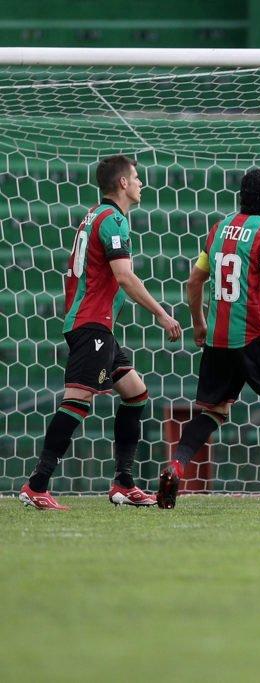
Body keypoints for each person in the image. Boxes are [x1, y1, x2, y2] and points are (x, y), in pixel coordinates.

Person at [19, 155, 182, 510]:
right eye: (136, 178)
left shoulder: (97, 214)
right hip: (90, 324)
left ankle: (123, 483)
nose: (141, 183)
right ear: (122, 183)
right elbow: (124, 276)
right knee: (77, 401)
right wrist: (161, 313)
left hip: (98, 326)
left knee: (136, 393)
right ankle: (37, 484)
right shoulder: (112, 221)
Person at [156, 168, 260, 510]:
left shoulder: (219, 229)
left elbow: (195, 282)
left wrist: (198, 323)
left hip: (219, 337)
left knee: (214, 410)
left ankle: (177, 464)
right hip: (256, 334)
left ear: (241, 196)